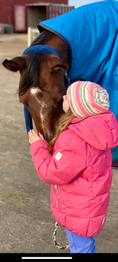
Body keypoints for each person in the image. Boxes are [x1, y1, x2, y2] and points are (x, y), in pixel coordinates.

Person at [29, 81, 118, 253]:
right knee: (84, 244)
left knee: (81, 248)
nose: (63, 97)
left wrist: (38, 147)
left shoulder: (74, 138)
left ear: (78, 107)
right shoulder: (96, 131)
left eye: (68, 97)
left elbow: (51, 172)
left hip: (78, 209)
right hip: (88, 206)